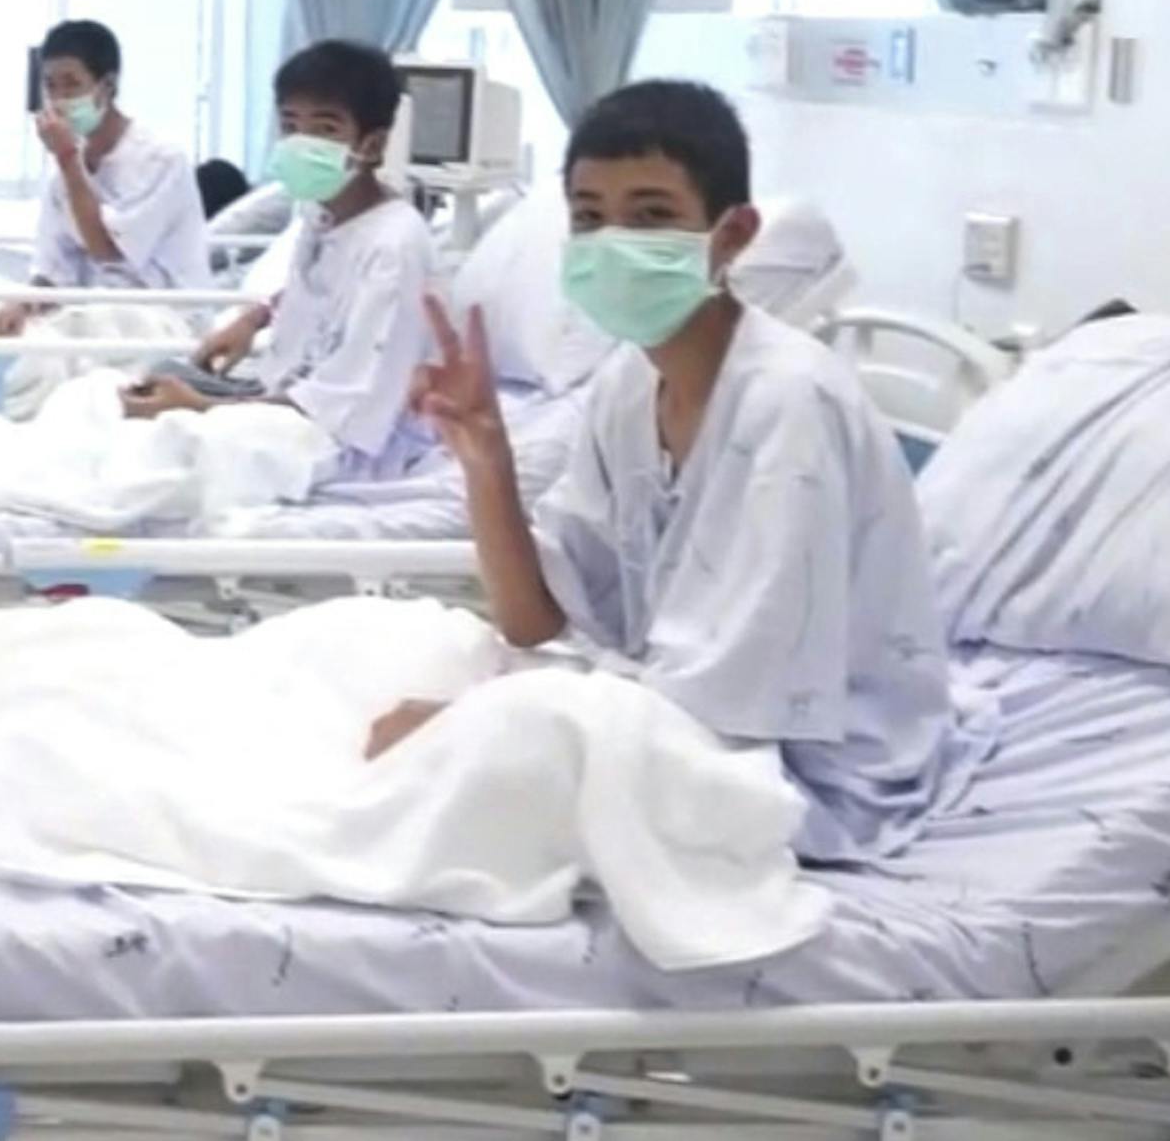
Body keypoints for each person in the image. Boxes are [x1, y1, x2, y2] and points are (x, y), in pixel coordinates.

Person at [369, 80, 976, 863]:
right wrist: (486, 458)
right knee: (370, 646)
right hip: (677, 718)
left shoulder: (787, 406)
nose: (613, 241)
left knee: (443, 760)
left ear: (732, 236)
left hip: (802, 773)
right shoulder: (629, 385)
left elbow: (729, 712)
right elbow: (536, 621)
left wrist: (480, 724)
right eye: (589, 217)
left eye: (652, 215)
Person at [123, 40, 442, 482]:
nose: (300, 142)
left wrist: (199, 407)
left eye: (325, 129)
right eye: (290, 125)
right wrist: (253, 319)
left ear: (373, 144)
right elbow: (321, 290)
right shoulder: (324, 212)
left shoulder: (394, 247)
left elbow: (347, 407)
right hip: (279, 401)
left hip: (328, 443)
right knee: (121, 390)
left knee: (168, 437)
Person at [0, 20, 213, 337]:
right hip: (93, 312)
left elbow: (107, 250)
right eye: (50, 86)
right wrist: (22, 305)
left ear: (107, 86)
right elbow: (53, 270)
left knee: (59, 339)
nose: (59, 98)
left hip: (162, 316)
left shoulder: (160, 160)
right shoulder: (63, 176)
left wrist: (67, 159)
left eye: (71, 84)